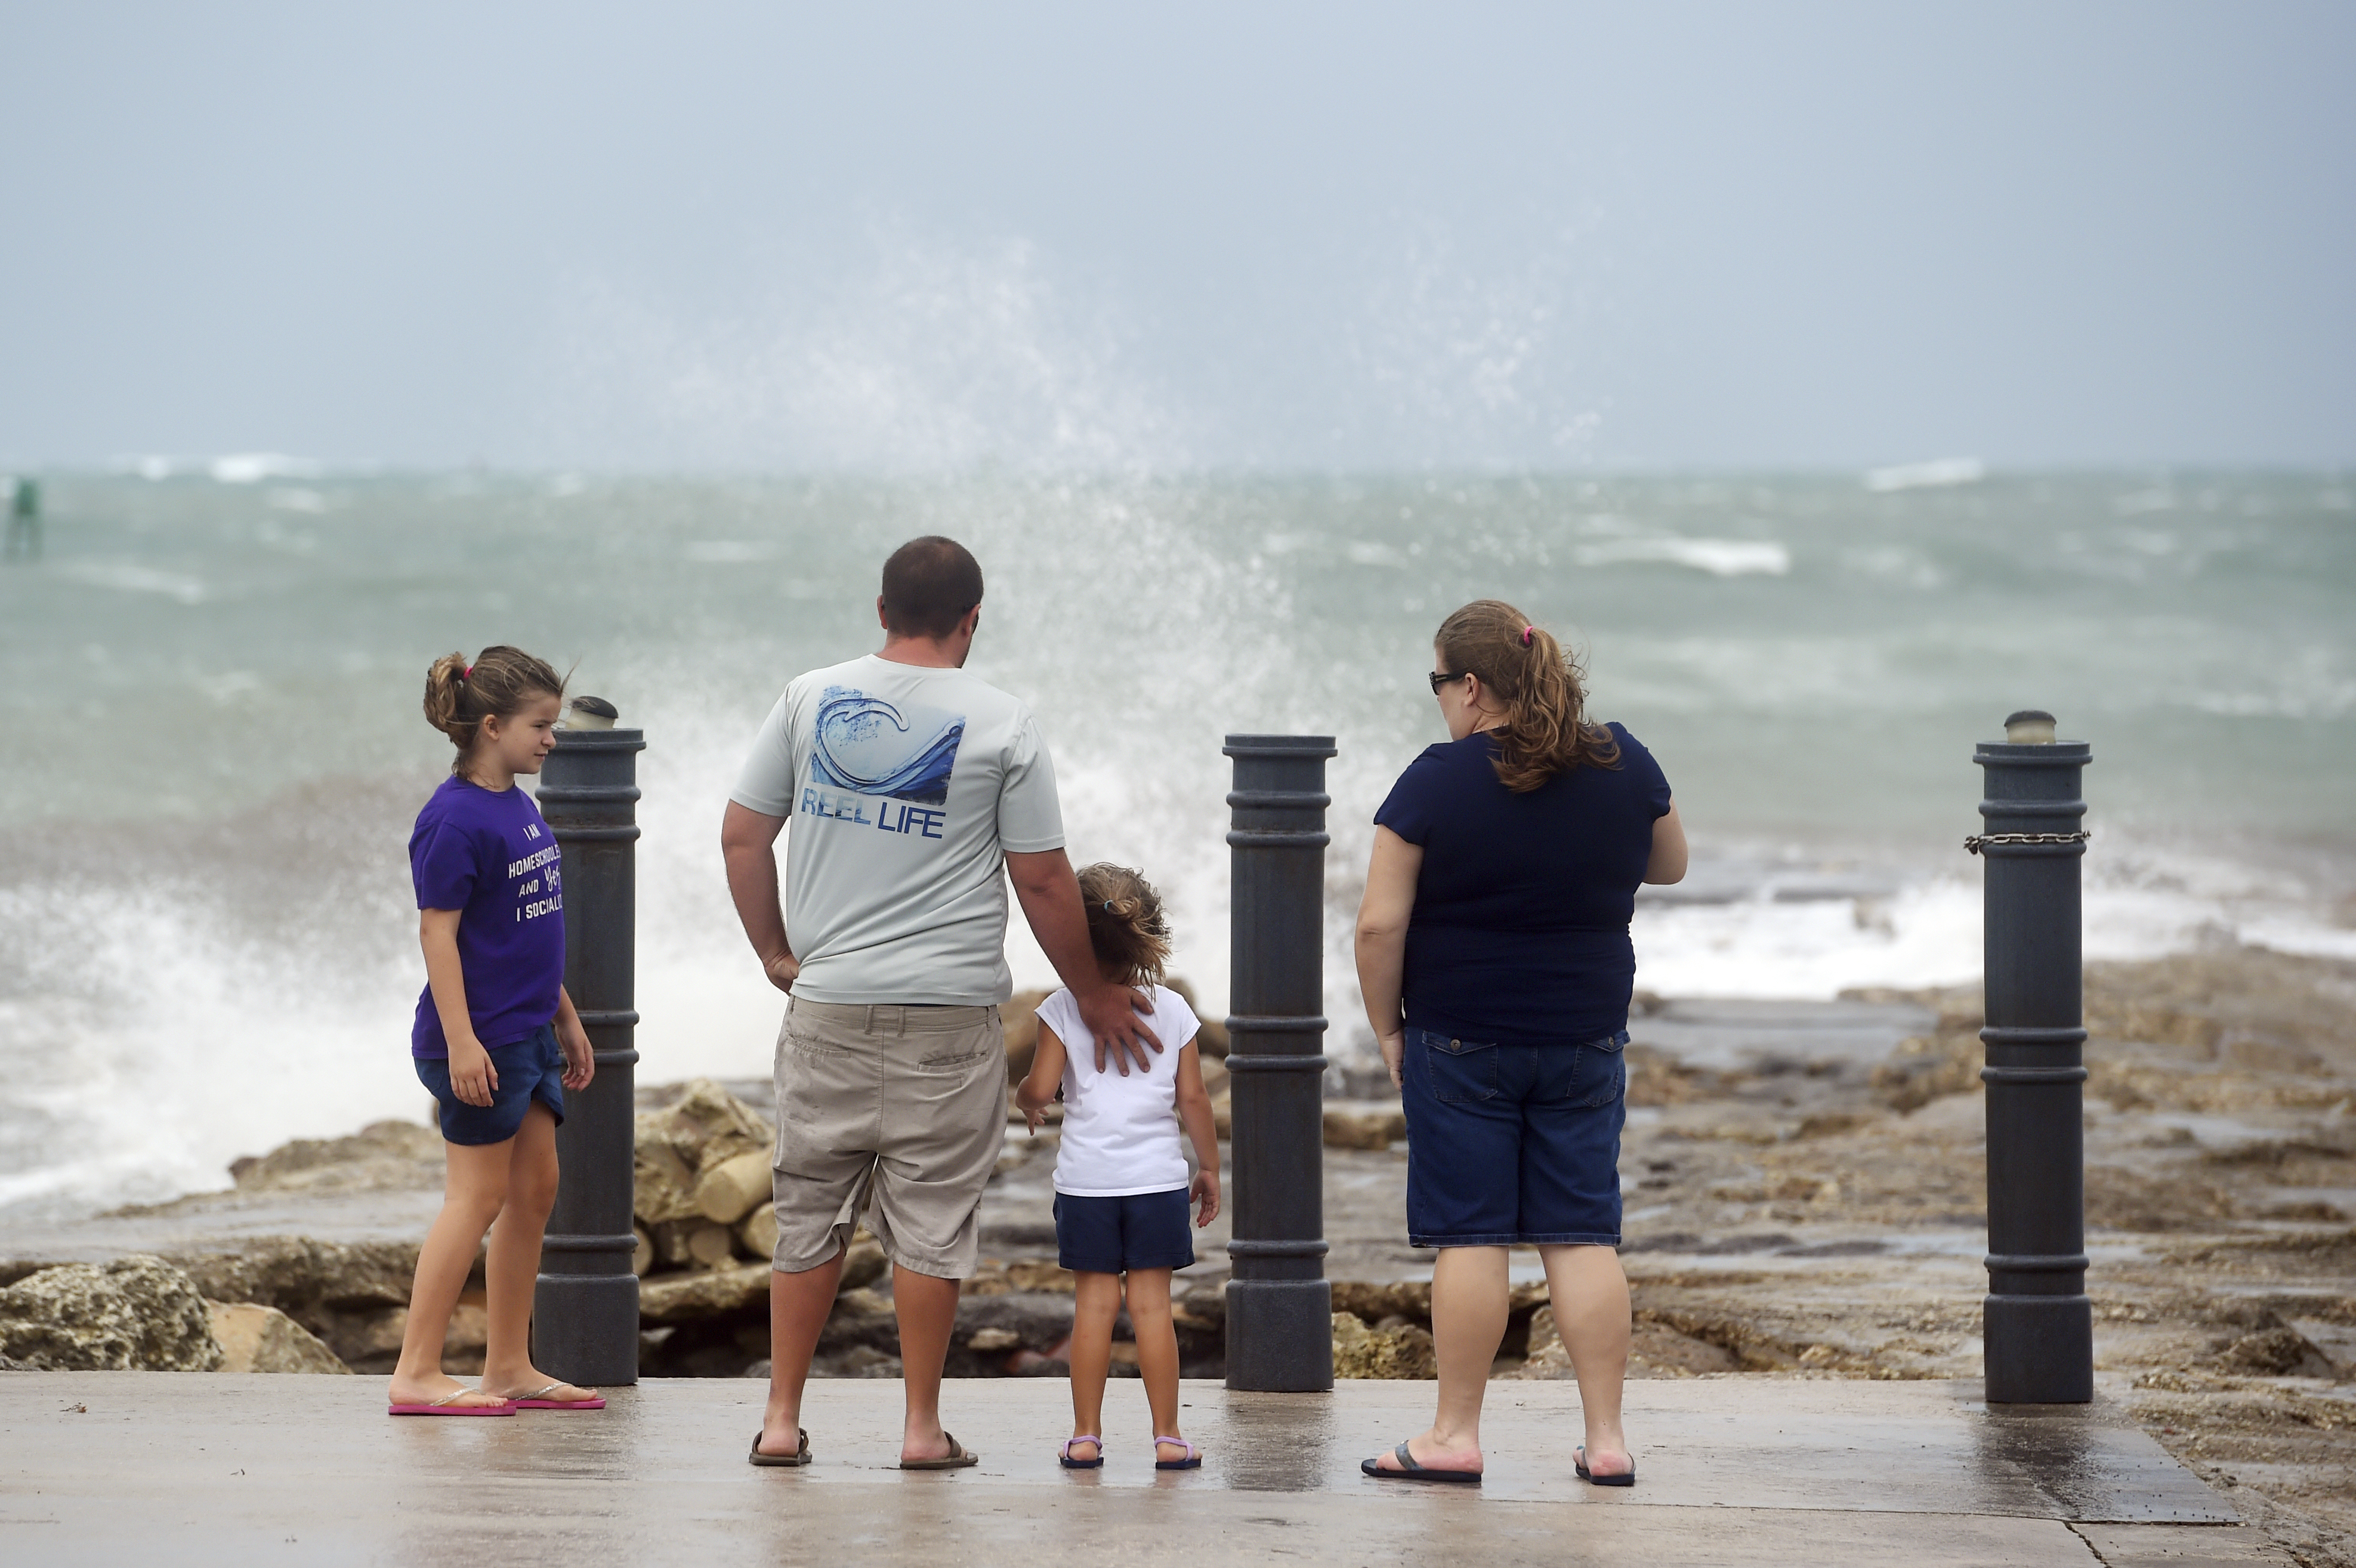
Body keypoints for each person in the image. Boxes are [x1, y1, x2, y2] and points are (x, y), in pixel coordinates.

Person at [723, 536, 1162, 1470]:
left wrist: (774, 949)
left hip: (828, 1008)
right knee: (930, 1225)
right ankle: (921, 1431)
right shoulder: (1004, 721)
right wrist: (1092, 994)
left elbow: (742, 837)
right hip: (947, 1019)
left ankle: (780, 1420)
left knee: (808, 1214)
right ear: (972, 621)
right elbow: (1043, 880)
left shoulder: (809, 697)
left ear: (880, 611)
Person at [1353, 600, 1687, 1486]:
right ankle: (1607, 1442)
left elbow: (1378, 928)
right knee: (1581, 1236)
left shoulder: (1435, 778)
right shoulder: (1621, 758)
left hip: (1460, 1038)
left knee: (1473, 1238)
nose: (1438, 701)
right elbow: (1670, 863)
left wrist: (1387, 1028)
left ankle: (1454, 1437)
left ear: (1470, 685)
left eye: (1438, 683)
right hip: (1584, 1037)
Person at [390, 646, 603, 1417]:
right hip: (476, 1041)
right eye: (539, 726)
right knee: (474, 1200)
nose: (552, 739)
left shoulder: (518, 803)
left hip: (531, 1032)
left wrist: (567, 1019)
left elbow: (530, 928)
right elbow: (437, 937)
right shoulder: (451, 820)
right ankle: (415, 1372)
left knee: (534, 1190)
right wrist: (461, 1042)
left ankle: (508, 1365)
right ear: (490, 726)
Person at [1014, 863, 1221, 1473]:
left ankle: (1085, 1437)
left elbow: (1043, 1087)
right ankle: (1168, 1438)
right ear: (1147, 929)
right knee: (1154, 1309)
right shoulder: (1176, 1009)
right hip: (1158, 1183)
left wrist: (1029, 1099)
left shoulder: (1060, 1009)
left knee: (1095, 1309)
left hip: (1086, 1186)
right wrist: (1207, 1166)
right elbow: (1194, 1100)